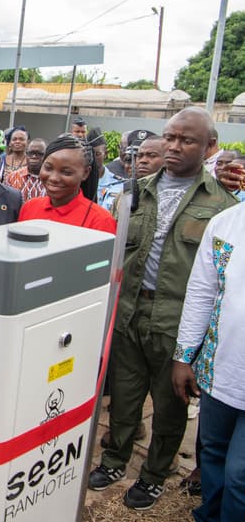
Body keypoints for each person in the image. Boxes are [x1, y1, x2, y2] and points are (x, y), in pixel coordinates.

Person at [88, 107, 239, 511]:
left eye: (186, 140)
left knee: (171, 407)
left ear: (210, 146)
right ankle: (116, 460)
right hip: (130, 314)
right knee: (124, 398)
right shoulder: (134, 191)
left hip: (178, 324)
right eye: (169, 137)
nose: (174, 146)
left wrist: (195, 345)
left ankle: (155, 475)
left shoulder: (223, 204)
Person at [173, 200, 245, 522]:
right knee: (213, 453)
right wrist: (184, 356)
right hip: (221, 374)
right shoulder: (225, 224)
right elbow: (202, 291)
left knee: (239, 475)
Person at [18, 135, 116, 234]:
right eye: (48, 168)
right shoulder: (29, 208)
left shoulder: (100, 221)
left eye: (66, 172)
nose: (54, 178)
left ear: (86, 173)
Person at [90, 127, 124, 211]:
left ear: (106, 154)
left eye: (97, 154)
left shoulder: (118, 183)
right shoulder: (79, 181)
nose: (93, 158)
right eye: (90, 154)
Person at [5, 138, 47, 202]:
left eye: (39, 153)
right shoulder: (13, 177)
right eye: (30, 153)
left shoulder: (51, 179)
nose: (34, 156)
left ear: (46, 155)